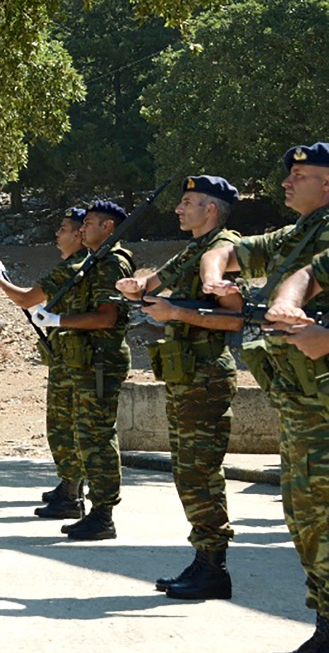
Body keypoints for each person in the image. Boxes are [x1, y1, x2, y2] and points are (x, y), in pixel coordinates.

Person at [200, 143, 329, 653]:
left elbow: (306, 278)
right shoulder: (297, 233)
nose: (285, 182)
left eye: (299, 174)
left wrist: (295, 308)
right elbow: (230, 249)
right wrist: (214, 276)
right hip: (302, 406)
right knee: (305, 517)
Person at [115, 175, 243, 600]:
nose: (178, 208)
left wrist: (177, 314)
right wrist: (134, 286)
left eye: (187, 202)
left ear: (210, 209)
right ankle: (205, 559)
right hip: (188, 377)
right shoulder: (194, 249)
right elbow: (153, 284)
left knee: (200, 472)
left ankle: (213, 567)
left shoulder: (227, 250)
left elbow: (235, 319)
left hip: (206, 376)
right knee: (189, 472)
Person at [29, 200, 134, 541]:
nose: (82, 228)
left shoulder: (112, 263)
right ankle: (85, 505)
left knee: (98, 438)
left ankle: (103, 514)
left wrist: (58, 320)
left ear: (108, 227)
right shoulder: (93, 261)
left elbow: (107, 317)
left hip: (100, 362)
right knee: (83, 436)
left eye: (89, 223)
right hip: (84, 361)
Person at [0, 207, 88, 521]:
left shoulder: (71, 268)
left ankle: (72, 494)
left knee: (63, 426)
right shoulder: (80, 266)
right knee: (70, 425)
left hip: (72, 361)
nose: (57, 235)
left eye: (63, 229)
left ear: (79, 234)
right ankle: (69, 485)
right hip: (70, 355)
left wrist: (0, 279)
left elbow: (24, 298)